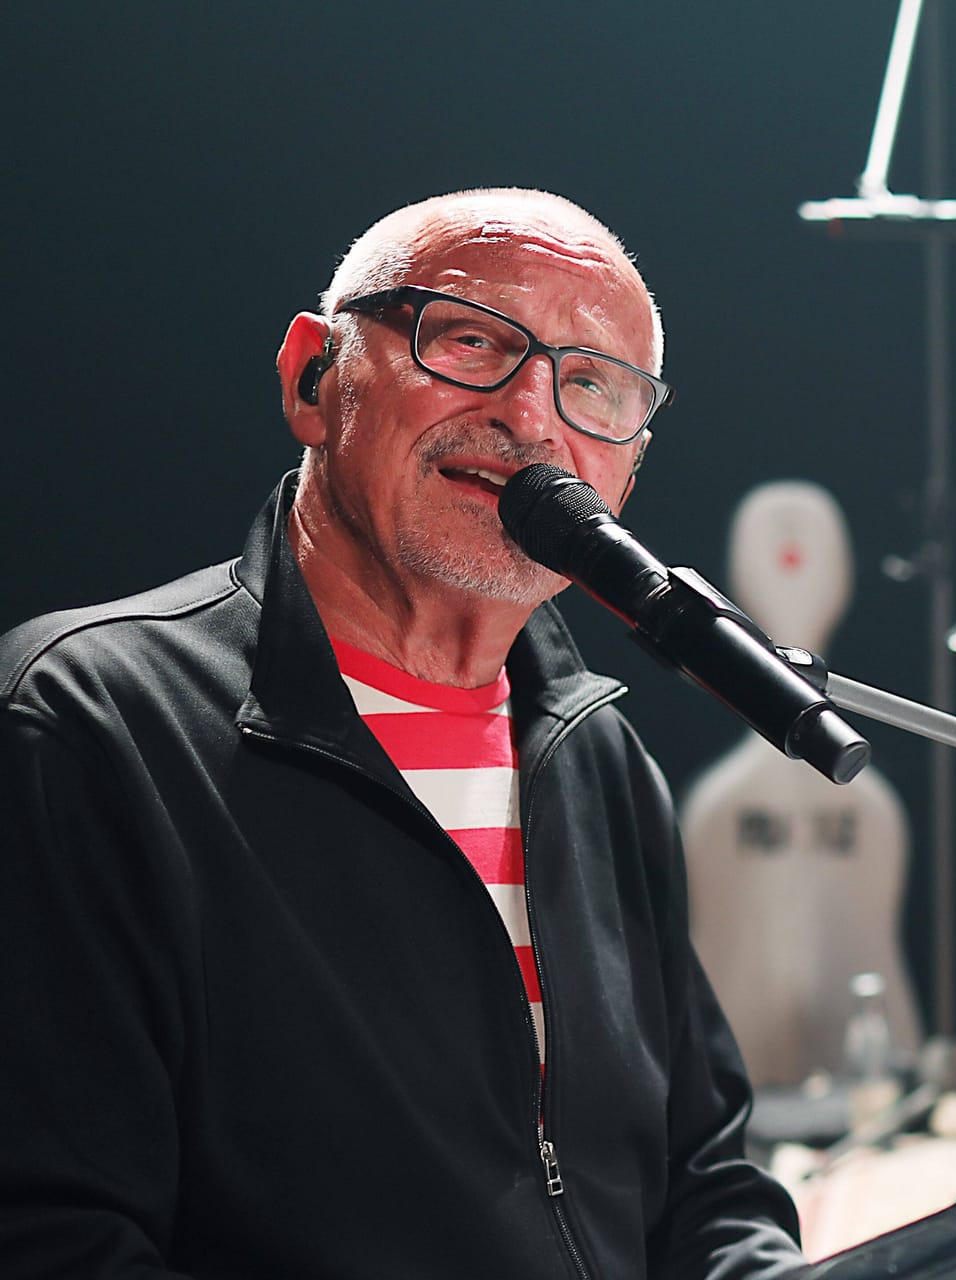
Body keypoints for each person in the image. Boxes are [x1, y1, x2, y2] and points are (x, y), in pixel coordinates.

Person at [0, 189, 808, 1279]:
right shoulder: (88, 722)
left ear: (625, 469)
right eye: (471, 339)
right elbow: (58, 1238)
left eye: (591, 384)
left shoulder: (596, 754)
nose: (531, 417)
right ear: (312, 377)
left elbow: (703, 1179)